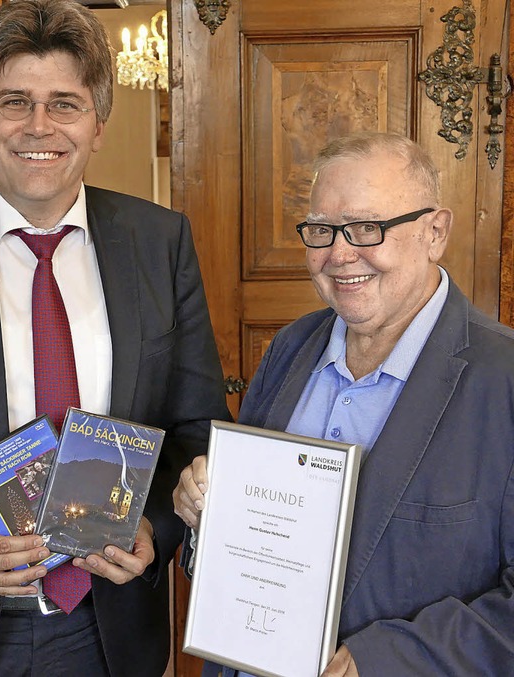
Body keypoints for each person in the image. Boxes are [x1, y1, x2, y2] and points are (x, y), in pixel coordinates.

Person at [0, 1, 229, 675]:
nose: (39, 126)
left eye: (64, 103)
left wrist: (154, 525)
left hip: (107, 630)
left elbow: (197, 426)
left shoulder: (160, 243)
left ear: (98, 123)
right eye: (15, 101)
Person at [174, 132, 514, 676]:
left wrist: (386, 660)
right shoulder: (289, 349)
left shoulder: (504, 381)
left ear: (435, 231)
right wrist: (206, 516)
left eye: (367, 228)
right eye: (321, 230)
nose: (339, 254)